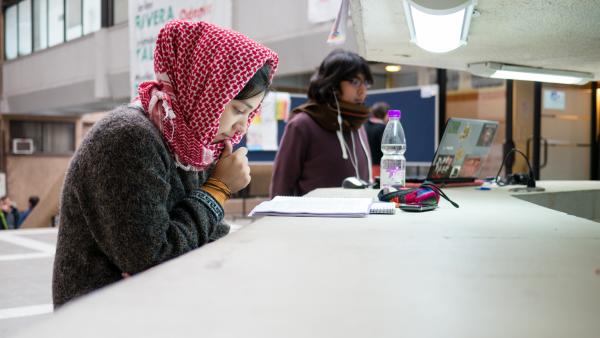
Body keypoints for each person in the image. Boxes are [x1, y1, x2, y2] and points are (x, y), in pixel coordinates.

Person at [52, 20, 278, 307]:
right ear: (206, 91)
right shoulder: (128, 137)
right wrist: (219, 188)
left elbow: (207, 235)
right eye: (237, 110)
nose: (240, 128)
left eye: (250, 114)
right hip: (102, 318)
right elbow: (150, 258)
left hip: (154, 308)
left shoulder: (193, 143)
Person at [270, 49, 373, 197]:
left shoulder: (357, 124)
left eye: (366, 83)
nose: (362, 91)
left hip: (356, 215)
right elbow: (282, 183)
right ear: (333, 83)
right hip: (313, 217)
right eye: (355, 82)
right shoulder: (303, 124)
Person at [364, 101, 390, 167]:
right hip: (379, 168)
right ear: (386, 114)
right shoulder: (383, 128)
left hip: (365, 166)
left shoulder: (363, 126)